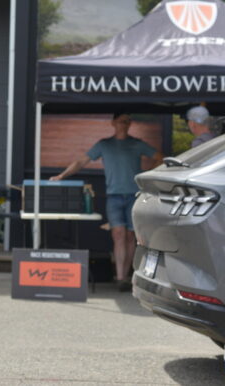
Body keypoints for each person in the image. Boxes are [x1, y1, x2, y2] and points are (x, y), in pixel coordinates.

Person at [50, 112, 163, 291]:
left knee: (131, 236)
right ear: (113, 123)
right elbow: (82, 161)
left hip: (135, 195)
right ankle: (119, 277)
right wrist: (62, 175)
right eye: (120, 121)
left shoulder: (137, 144)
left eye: (127, 122)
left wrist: (149, 176)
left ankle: (128, 276)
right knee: (118, 235)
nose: (124, 125)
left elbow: (159, 156)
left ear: (130, 124)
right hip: (114, 196)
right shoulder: (104, 144)